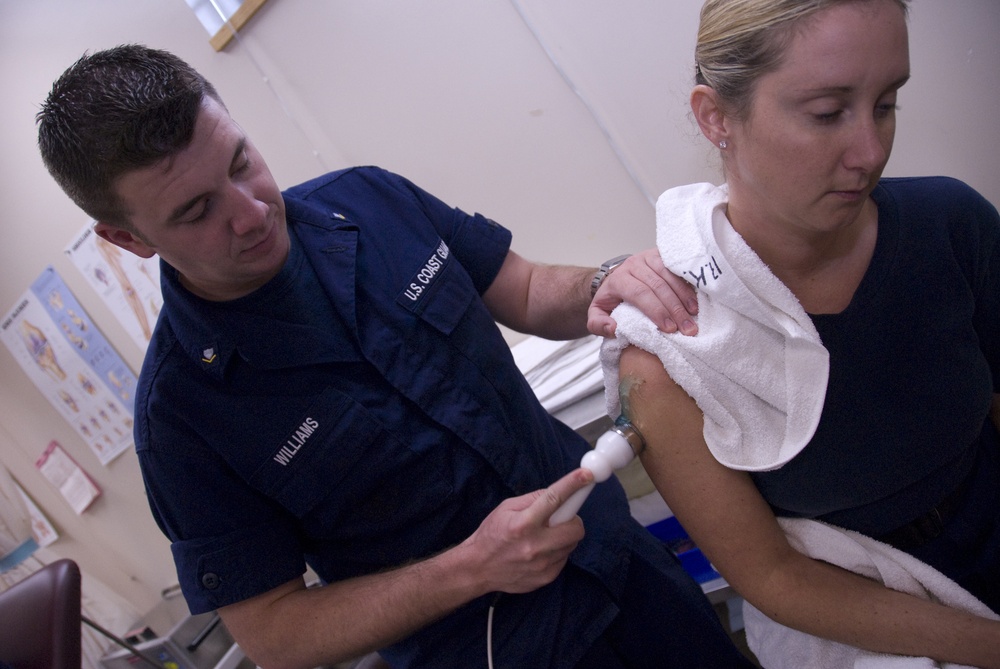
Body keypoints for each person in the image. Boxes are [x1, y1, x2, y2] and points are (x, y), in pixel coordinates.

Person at [36, 45, 756, 669]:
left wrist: (605, 281)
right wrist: (469, 570)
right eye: (195, 211)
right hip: (498, 646)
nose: (252, 211)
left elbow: (529, 288)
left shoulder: (368, 200)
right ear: (128, 239)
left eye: (240, 161)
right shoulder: (183, 418)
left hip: (624, 566)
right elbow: (276, 634)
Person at [602, 0, 1000, 666]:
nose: (871, 152)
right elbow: (775, 576)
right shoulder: (672, 354)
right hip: (876, 612)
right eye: (827, 113)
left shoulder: (949, 224)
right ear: (716, 116)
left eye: (887, 103)